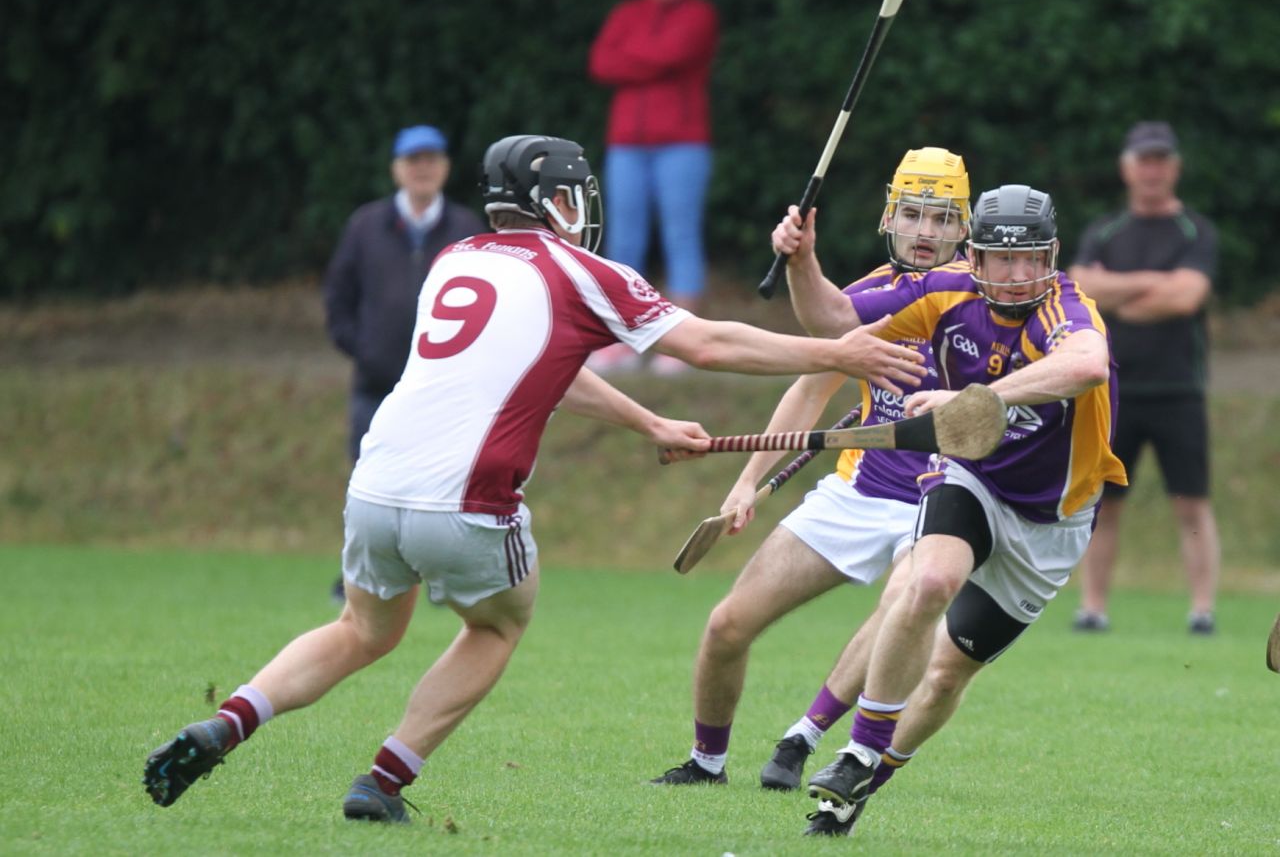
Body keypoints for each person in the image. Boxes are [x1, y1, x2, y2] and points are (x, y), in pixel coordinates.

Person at [142, 134, 928, 823]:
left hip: (374, 484)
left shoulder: (456, 258)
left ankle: (231, 720)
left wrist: (647, 422)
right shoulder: (582, 270)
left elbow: (545, 366)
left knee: (362, 630)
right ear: (556, 200)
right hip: (470, 499)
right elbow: (711, 343)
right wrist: (839, 352)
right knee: (497, 625)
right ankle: (383, 780)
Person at [772, 184, 1126, 835]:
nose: (1018, 276)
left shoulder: (1067, 310)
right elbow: (832, 321)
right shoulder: (943, 291)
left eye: (1032, 259)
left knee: (942, 678)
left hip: (1053, 521)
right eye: (1001, 259)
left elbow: (1087, 366)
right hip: (973, 479)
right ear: (977, 257)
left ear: (1051, 255)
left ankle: (860, 787)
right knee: (929, 578)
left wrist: (975, 400)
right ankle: (855, 747)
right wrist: (802, 262)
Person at [648, 148, 970, 805]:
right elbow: (812, 377)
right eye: (913, 214)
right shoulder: (873, 296)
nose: (926, 231)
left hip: (948, 500)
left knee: (903, 601)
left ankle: (804, 734)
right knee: (726, 625)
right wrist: (746, 482)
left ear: (964, 227)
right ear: (890, 217)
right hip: (860, 490)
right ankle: (706, 761)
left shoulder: (988, 299)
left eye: (941, 218)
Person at [1068, 121, 1220, 635]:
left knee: (1191, 503)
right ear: (1127, 167)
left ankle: (1202, 610)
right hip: (1110, 389)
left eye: (1161, 160)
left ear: (1174, 167)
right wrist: (1156, 283)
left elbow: (1186, 298)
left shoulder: (1196, 232)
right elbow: (1080, 287)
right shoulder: (1104, 232)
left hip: (1179, 390)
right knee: (1102, 501)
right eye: (1143, 159)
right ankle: (1092, 607)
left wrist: (1116, 292)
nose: (1152, 169)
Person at [323, 124, 487, 598]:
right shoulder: (365, 226)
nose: (423, 169)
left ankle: (440, 578)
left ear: (446, 167)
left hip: (443, 386)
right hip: (378, 382)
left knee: (441, 482)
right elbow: (339, 298)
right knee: (369, 480)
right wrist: (365, 348)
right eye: (414, 160)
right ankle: (360, 577)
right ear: (397, 169)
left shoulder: (465, 229)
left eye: (432, 159)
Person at [587, 0, 719, 376]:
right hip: (627, 144)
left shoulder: (700, 14)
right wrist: (650, 61)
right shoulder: (626, 13)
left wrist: (635, 58)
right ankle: (622, 339)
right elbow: (602, 64)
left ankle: (684, 343)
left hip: (682, 143)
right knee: (623, 243)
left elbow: (672, 53)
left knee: (681, 237)